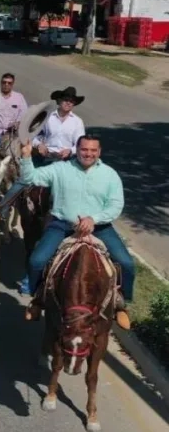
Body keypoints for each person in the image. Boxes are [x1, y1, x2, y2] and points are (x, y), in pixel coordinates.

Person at [19, 135, 133, 329]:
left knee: (126, 263)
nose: (88, 154)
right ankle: (38, 298)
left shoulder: (110, 174)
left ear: (99, 152)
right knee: (37, 260)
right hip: (62, 225)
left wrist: (93, 219)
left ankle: (121, 303)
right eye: (84, 149)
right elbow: (30, 177)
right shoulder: (61, 169)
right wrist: (27, 157)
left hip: (99, 228)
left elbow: (115, 206)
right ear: (77, 150)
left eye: (93, 150)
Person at [0, 86, 87, 225]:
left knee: (79, 187)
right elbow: (34, 135)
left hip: (64, 160)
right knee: (23, 180)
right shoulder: (48, 117)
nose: (69, 103)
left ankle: (82, 219)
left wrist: (70, 151)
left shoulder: (77, 122)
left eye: (72, 101)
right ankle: (1, 211)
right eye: (66, 100)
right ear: (59, 100)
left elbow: (80, 144)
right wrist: (38, 145)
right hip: (45, 156)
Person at [0, 72, 27, 155]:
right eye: (4, 82)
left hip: (12, 132)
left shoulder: (19, 97)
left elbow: (24, 113)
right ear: (1, 83)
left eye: (9, 83)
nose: (6, 85)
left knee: (15, 153)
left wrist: (18, 123)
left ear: (12, 84)